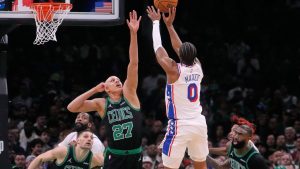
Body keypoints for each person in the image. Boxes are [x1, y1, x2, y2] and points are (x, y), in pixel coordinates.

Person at [67, 10, 143, 169]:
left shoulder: (129, 95)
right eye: (112, 80)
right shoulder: (102, 103)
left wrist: (134, 34)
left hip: (135, 154)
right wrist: (94, 89)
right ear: (106, 88)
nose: (117, 80)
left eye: (118, 79)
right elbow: (72, 107)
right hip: (115, 155)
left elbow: (133, 64)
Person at [147, 6, 208, 169]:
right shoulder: (198, 66)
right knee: (201, 165)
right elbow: (180, 48)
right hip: (199, 123)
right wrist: (169, 25)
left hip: (180, 125)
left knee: (168, 167)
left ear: (180, 55)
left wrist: (155, 23)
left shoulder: (174, 70)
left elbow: (158, 50)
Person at [28, 130, 103, 169]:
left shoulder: (95, 159)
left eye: (91, 138)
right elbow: (39, 158)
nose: (89, 139)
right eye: (86, 136)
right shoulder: (63, 151)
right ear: (78, 141)